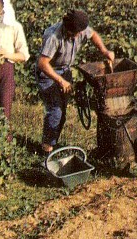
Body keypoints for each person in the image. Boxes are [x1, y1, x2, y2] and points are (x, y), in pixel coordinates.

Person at [37, 9, 114, 154]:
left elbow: (93, 35)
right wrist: (61, 81)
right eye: (76, 33)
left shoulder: (80, 29)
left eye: (80, 32)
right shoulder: (53, 36)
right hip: (48, 73)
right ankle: (46, 149)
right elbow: (42, 63)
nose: (79, 35)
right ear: (67, 27)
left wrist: (105, 51)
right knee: (55, 111)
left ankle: (52, 142)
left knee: (62, 112)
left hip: (64, 70)